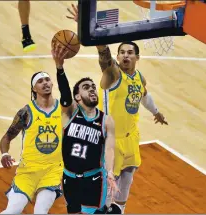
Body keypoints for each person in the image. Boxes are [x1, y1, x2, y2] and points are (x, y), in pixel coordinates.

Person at [67, 5, 168, 214]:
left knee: (125, 186)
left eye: (130, 53)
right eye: (122, 52)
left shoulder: (139, 78)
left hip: (131, 139)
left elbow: (144, 96)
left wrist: (156, 112)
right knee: (104, 193)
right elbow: (104, 55)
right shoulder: (114, 75)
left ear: (137, 58)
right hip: (110, 140)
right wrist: (88, 27)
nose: (125, 56)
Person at [51, 43, 120, 214]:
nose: (92, 90)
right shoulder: (70, 113)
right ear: (77, 97)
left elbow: (110, 149)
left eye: (93, 87)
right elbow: (65, 95)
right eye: (86, 87)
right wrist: (60, 68)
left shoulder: (106, 121)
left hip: (94, 179)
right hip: (69, 178)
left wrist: (110, 172)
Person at [0, 70, 63, 214]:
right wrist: (4, 154)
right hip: (27, 171)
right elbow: (7, 137)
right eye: (40, 81)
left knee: (40, 212)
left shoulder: (63, 109)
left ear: (52, 83)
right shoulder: (26, 112)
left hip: (52, 171)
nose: (45, 83)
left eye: (47, 79)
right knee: (12, 211)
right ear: (34, 88)